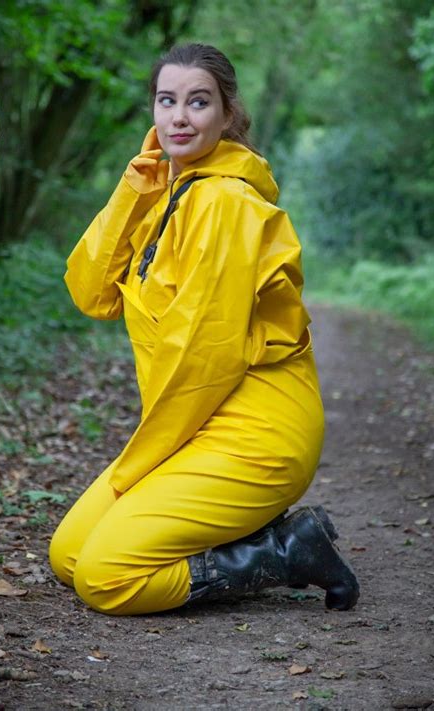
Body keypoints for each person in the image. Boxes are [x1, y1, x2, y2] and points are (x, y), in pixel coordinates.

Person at [49, 43, 359, 616]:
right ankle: (236, 535)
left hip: (255, 437)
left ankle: (287, 552)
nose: (180, 117)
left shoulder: (225, 203)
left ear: (227, 114)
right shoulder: (169, 193)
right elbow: (92, 291)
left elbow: (203, 355)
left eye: (198, 101)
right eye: (167, 101)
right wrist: (135, 186)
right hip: (200, 422)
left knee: (104, 578)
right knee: (68, 556)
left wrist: (146, 459)